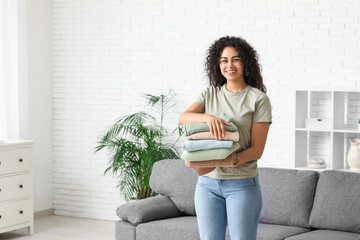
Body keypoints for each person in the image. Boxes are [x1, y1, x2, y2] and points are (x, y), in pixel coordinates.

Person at [178, 36, 272, 240]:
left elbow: (257, 150)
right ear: (217, 64)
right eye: (224, 60)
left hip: (242, 184)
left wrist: (229, 160)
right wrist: (208, 117)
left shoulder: (258, 99)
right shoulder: (209, 94)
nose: (230, 65)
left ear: (245, 62)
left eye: (236, 59)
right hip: (206, 185)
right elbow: (183, 118)